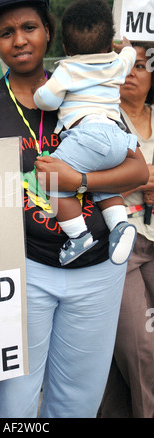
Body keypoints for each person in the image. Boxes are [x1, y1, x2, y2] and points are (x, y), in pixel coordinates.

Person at [0, 0, 149, 418]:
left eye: (29, 27)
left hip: (98, 271)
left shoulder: (90, 89)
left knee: (77, 401)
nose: (19, 39)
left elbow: (137, 171)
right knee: (11, 403)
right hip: (23, 272)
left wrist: (78, 178)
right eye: (6, 32)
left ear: (49, 32)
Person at [33, 0, 137, 266]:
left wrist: (39, 93)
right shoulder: (117, 62)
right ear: (108, 44)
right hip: (118, 137)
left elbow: (47, 100)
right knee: (106, 184)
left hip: (87, 135)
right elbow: (130, 54)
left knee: (53, 180)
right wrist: (124, 47)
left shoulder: (69, 68)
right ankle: (120, 226)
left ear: (66, 47)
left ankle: (78, 236)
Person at [100, 43, 154, 418]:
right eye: (125, 65)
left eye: (141, 65)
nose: (132, 72)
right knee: (140, 348)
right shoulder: (100, 118)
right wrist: (140, 179)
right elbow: (77, 183)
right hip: (122, 242)